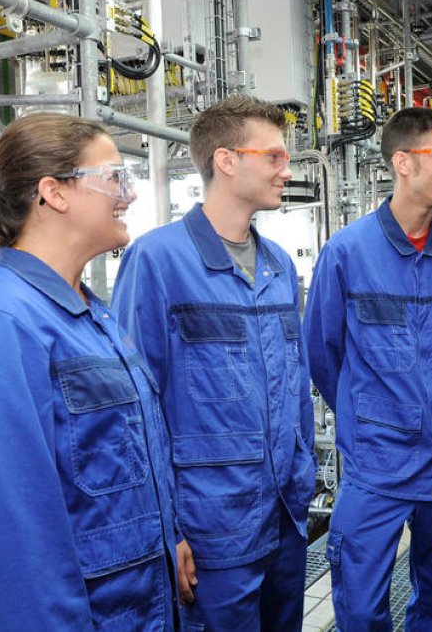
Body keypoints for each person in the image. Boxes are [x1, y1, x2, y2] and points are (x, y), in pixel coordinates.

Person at [0, 113, 179, 629]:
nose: (130, 194)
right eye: (115, 178)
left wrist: (168, 544)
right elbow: (7, 540)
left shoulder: (90, 315)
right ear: (54, 192)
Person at [112, 95, 316, 631]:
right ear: (227, 161)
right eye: (272, 157)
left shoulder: (276, 265)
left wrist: (303, 469)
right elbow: (135, 406)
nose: (285, 170)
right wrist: (166, 529)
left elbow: (296, 386)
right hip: (210, 527)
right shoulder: (157, 260)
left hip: (285, 515)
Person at [304, 107, 432, 630]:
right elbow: (323, 353)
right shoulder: (347, 252)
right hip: (378, 460)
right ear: (403, 162)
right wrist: (372, 416)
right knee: (360, 598)